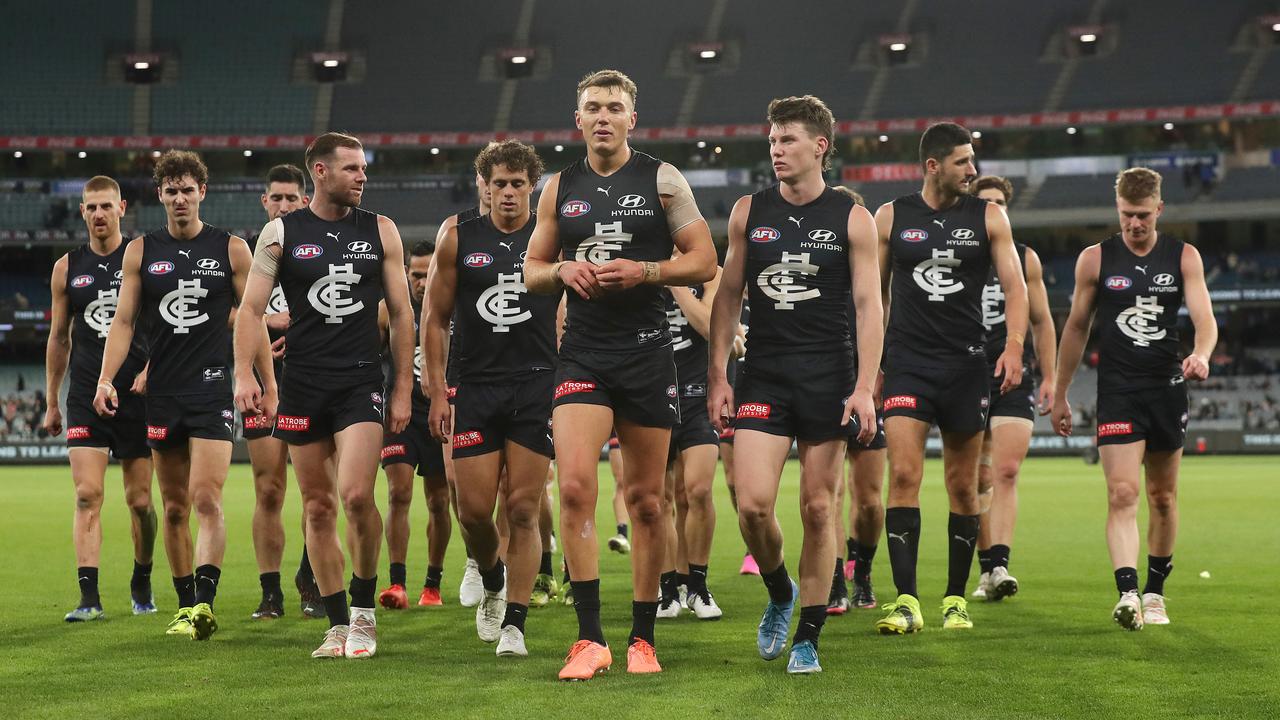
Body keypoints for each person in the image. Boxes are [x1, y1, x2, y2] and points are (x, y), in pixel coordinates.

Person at [524, 68, 717, 680]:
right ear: (576, 120)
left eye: (614, 107)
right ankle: (589, 639)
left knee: (647, 501)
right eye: (592, 108)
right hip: (582, 353)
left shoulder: (662, 180)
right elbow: (531, 267)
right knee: (577, 488)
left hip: (647, 354)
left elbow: (704, 260)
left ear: (633, 118)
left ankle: (643, 638)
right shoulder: (559, 187)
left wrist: (647, 272)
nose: (602, 116)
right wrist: (562, 272)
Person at [707, 95, 882, 674]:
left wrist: (863, 387)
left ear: (819, 147)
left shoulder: (851, 218)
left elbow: (868, 307)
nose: (776, 150)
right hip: (764, 374)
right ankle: (780, 591)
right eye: (773, 141)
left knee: (816, 507)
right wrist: (718, 374)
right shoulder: (748, 212)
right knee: (753, 506)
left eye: (787, 141)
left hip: (828, 377)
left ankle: (807, 634)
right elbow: (728, 295)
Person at [234, 132, 415, 658]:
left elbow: (402, 314)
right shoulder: (280, 233)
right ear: (319, 171)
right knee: (316, 507)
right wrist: (246, 375)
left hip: (360, 381)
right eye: (352, 168)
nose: (363, 176)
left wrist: (402, 385)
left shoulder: (380, 229)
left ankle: (363, 613)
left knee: (357, 495)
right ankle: (337, 624)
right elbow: (249, 310)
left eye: (364, 168)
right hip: (303, 384)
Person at [94, 151, 260, 640]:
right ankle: (185, 603)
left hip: (211, 390)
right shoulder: (140, 251)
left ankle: (205, 601)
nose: (181, 198)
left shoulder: (231, 249)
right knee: (173, 507)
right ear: (160, 196)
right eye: (172, 191)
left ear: (202, 192)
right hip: (161, 391)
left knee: (206, 498)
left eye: (189, 189)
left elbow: (249, 320)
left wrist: (257, 380)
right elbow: (122, 323)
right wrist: (107, 378)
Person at [873, 123, 1027, 634]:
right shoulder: (891, 216)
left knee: (964, 486)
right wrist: (870, 366)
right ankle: (906, 599)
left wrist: (1011, 346)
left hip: (966, 366)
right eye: (963, 161)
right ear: (933, 165)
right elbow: (872, 299)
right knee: (903, 476)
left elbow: (1015, 286)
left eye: (973, 159)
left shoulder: (989, 215)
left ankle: (955, 600)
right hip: (907, 365)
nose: (973, 170)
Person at [1051, 167, 1216, 630]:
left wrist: (1201, 355)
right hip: (1118, 390)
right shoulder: (1095, 259)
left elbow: (1204, 317)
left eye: (1142, 215)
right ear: (1117, 210)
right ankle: (1127, 592)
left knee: (1162, 497)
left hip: (1165, 388)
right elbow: (1077, 328)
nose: (1134, 224)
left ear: (1159, 209)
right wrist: (1061, 393)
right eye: (1126, 215)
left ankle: (1155, 593)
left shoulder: (1183, 257)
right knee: (1122, 493)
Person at [424, 140, 560, 657]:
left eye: (517, 183)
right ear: (484, 185)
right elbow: (433, 319)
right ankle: (492, 578)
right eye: (498, 183)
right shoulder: (458, 237)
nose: (507, 192)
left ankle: (515, 625)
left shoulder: (551, 238)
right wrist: (438, 390)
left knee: (523, 508)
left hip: (535, 384)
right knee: (475, 511)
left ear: (532, 186)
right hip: (476, 387)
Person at [45, 175, 158, 621]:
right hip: (87, 396)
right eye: (90, 207)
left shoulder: (145, 258)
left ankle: (142, 575)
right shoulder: (66, 268)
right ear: (82, 212)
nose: (98, 214)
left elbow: (167, 323)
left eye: (105, 206)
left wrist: (152, 370)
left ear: (122, 208)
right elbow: (59, 338)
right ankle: (88, 598)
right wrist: (53, 399)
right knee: (88, 494)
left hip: (138, 395)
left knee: (141, 502)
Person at [967, 175, 1057, 602]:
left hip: (1012, 373)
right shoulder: (957, 256)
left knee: (1005, 470)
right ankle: (986, 569)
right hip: (965, 375)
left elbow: (1042, 321)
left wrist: (1054, 378)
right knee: (975, 478)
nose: (994, 209)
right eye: (986, 202)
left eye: (1000, 202)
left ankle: (999, 563)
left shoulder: (1024, 258)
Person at [242, 164, 324, 619]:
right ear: (265, 202)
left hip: (312, 378)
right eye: (277, 198)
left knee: (317, 491)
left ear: (305, 200)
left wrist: (299, 327)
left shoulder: (317, 252)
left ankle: (310, 577)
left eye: (293, 198)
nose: (285, 205)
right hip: (262, 382)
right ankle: (270, 593)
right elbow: (236, 316)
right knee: (269, 489)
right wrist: (265, 325)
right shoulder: (253, 254)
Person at [825, 185, 884, 615]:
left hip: (865, 388)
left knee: (869, 499)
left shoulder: (873, 281)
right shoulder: (816, 272)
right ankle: (832, 580)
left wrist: (874, 379)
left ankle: (861, 568)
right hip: (824, 386)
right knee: (828, 492)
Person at [657, 259, 724, 621]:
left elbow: (710, 327)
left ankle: (697, 585)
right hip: (651, 396)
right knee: (659, 498)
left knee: (697, 491)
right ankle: (667, 588)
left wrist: (676, 281)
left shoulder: (709, 271)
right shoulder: (638, 268)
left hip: (697, 396)